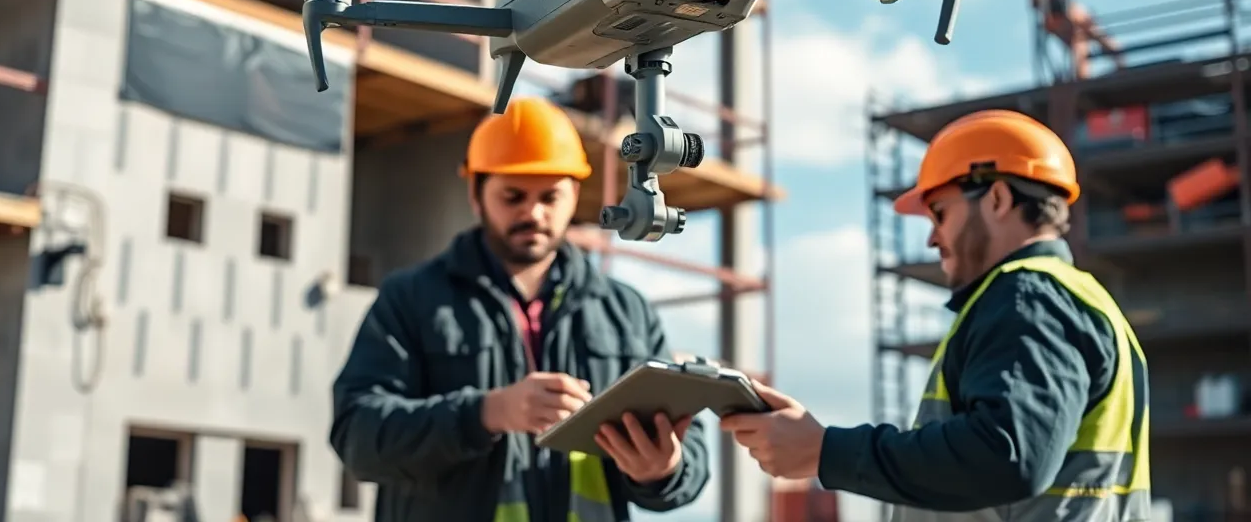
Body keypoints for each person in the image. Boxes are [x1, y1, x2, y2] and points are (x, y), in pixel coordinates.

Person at [721, 109, 1152, 521]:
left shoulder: (1026, 297)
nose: (932, 238)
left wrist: (825, 452)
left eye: (940, 213)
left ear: (998, 198)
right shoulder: (1077, 297)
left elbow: (1008, 457)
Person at [329, 96, 710, 522]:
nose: (533, 212)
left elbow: (689, 450)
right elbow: (357, 437)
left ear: (575, 194)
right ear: (476, 193)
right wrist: (486, 413)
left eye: (550, 196)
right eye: (513, 196)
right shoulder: (411, 299)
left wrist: (664, 470)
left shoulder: (627, 311)